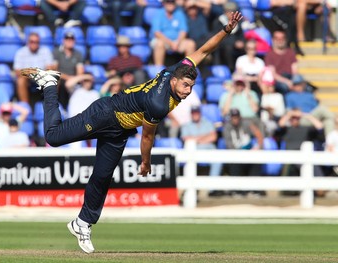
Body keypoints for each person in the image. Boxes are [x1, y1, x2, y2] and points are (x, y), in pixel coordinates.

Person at [20, 11, 242, 253]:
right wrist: (145, 163)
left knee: (102, 177)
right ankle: (50, 84)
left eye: (192, 87)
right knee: (53, 137)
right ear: (175, 81)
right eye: (186, 86)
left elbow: (203, 51)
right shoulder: (159, 102)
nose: (188, 91)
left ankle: (82, 223)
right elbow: (147, 136)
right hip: (106, 114)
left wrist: (226, 30)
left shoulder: (180, 69)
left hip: (120, 129)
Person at [222, 108, 264, 196]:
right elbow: (230, 147)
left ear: (239, 117)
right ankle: (238, 190)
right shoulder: (227, 128)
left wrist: (258, 146)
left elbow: (258, 134)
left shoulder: (246, 124)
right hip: (235, 155)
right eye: (233, 117)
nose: (235, 119)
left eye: (237, 117)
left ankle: (254, 189)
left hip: (248, 153)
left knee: (256, 161)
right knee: (234, 163)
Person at [180, 105, 223, 185]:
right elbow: (186, 139)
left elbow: (213, 137)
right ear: (191, 114)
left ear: (200, 113)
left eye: (196, 113)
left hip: (209, 150)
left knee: (218, 160)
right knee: (188, 161)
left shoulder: (208, 122)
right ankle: (189, 187)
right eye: (193, 113)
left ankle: (212, 188)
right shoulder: (186, 125)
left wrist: (195, 139)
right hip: (193, 151)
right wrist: (205, 136)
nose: (195, 115)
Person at [150, 0, 196, 66]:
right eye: (168, 2)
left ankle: (189, 69)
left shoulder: (179, 13)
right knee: (159, 44)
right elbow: (157, 33)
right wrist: (171, 43)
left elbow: (183, 31)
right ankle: (158, 69)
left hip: (177, 41)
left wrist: (177, 42)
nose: (170, 4)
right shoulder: (158, 13)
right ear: (164, 3)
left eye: (172, 2)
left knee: (191, 44)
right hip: (163, 41)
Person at [13, 33, 55, 104]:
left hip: (42, 77)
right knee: (20, 81)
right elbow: (17, 71)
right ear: (28, 42)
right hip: (27, 78)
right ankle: (26, 107)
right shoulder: (20, 52)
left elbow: (49, 68)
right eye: (32, 41)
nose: (34, 44)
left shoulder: (45, 51)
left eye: (36, 42)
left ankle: (50, 105)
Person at [53, 31, 85, 109]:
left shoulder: (78, 54)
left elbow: (80, 72)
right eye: (67, 39)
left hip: (73, 81)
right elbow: (54, 70)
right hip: (61, 79)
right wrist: (69, 78)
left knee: (72, 85)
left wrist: (73, 79)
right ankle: (58, 106)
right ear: (63, 40)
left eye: (71, 39)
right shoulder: (57, 52)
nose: (69, 41)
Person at [210, 1, 245, 72]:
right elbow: (217, 37)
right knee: (227, 48)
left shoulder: (239, 23)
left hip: (235, 48)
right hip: (222, 47)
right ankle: (229, 70)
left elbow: (241, 36)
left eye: (232, 12)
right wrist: (234, 42)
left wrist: (241, 42)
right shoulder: (218, 21)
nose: (230, 14)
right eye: (228, 11)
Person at [264, 30, 298, 94]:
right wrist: (287, 81)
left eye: (282, 38)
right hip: (278, 80)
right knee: (284, 87)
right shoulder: (269, 54)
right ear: (273, 39)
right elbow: (273, 74)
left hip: (290, 77)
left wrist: (293, 81)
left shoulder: (291, 52)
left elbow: (295, 71)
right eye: (277, 38)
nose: (280, 40)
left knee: (300, 81)